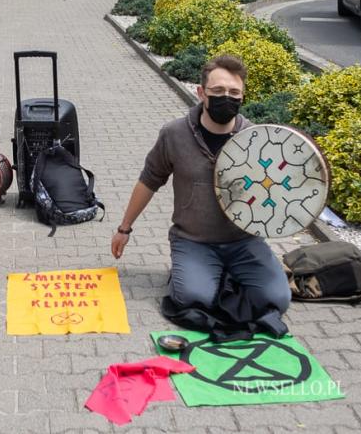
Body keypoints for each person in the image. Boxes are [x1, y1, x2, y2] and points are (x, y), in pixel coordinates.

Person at [110, 55, 291, 326]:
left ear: (243, 96)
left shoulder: (256, 140)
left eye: (234, 92)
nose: (226, 97)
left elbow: (278, 192)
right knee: (193, 298)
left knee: (277, 298)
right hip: (193, 240)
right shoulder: (174, 134)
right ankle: (197, 272)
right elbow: (149, 180)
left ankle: (226, 273)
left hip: (243, 242)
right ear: (201, 93)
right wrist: (124, 228)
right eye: (217, 91)